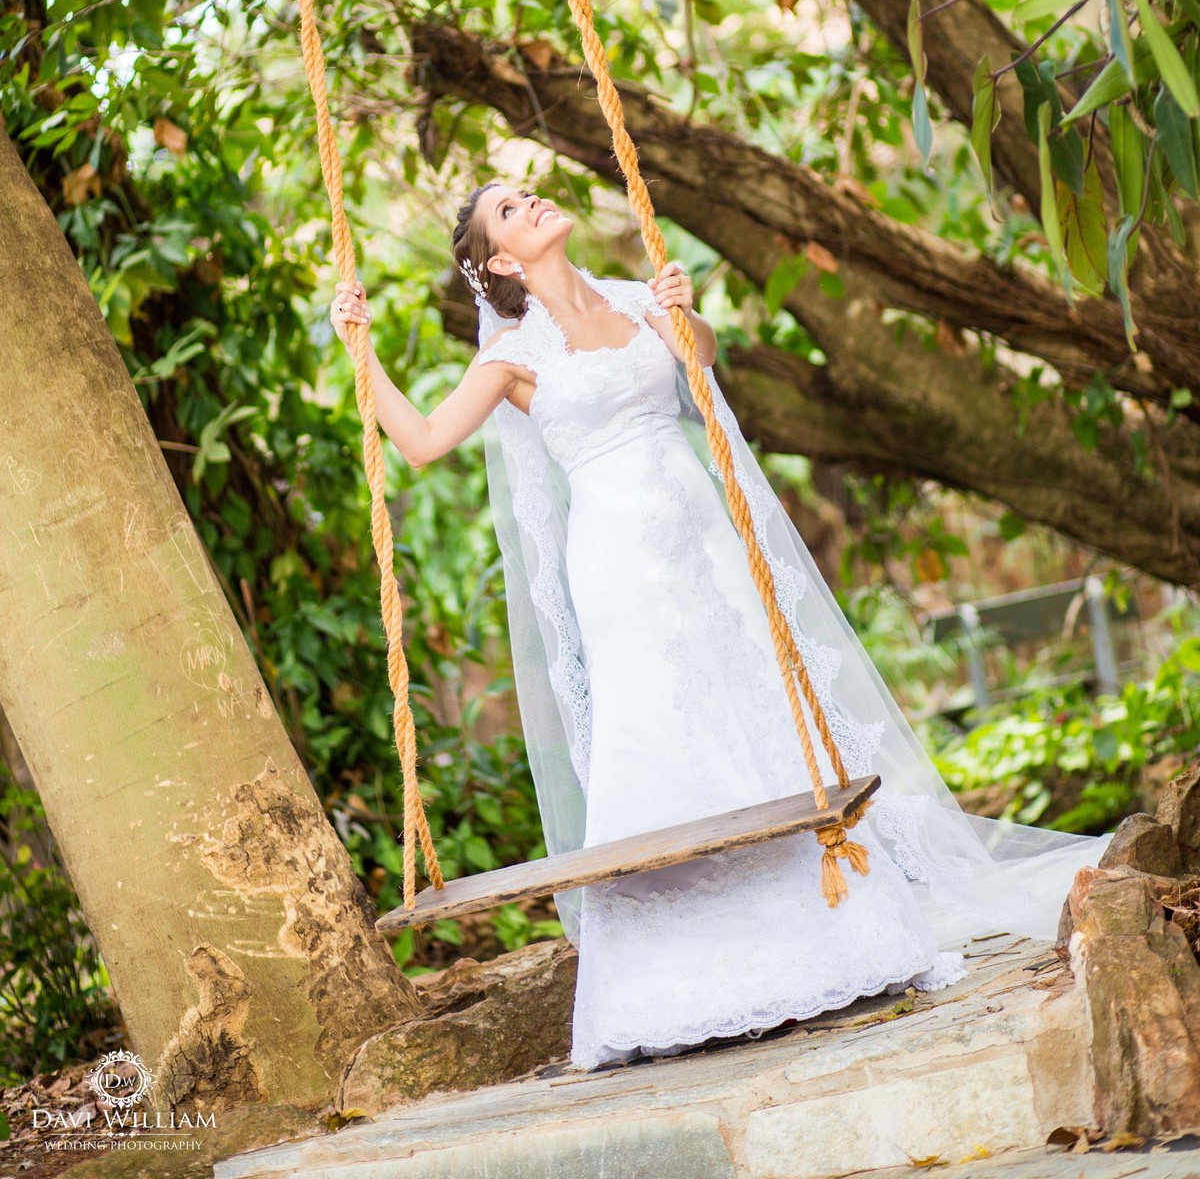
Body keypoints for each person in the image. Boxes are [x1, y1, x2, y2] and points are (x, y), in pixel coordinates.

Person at [331, 179, 1110, 1070]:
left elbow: (698, 362)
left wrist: (683, 312)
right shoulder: (512, 354)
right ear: (501, 260)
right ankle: (675, 980)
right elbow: (425, 443)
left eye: (529, 192)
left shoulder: (634, 297)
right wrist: (360, 349)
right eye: (509, 210)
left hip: (705, 534)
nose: (533, 201)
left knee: (758, 700)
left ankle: (842, 936)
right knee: (659, 724)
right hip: (619, 564)